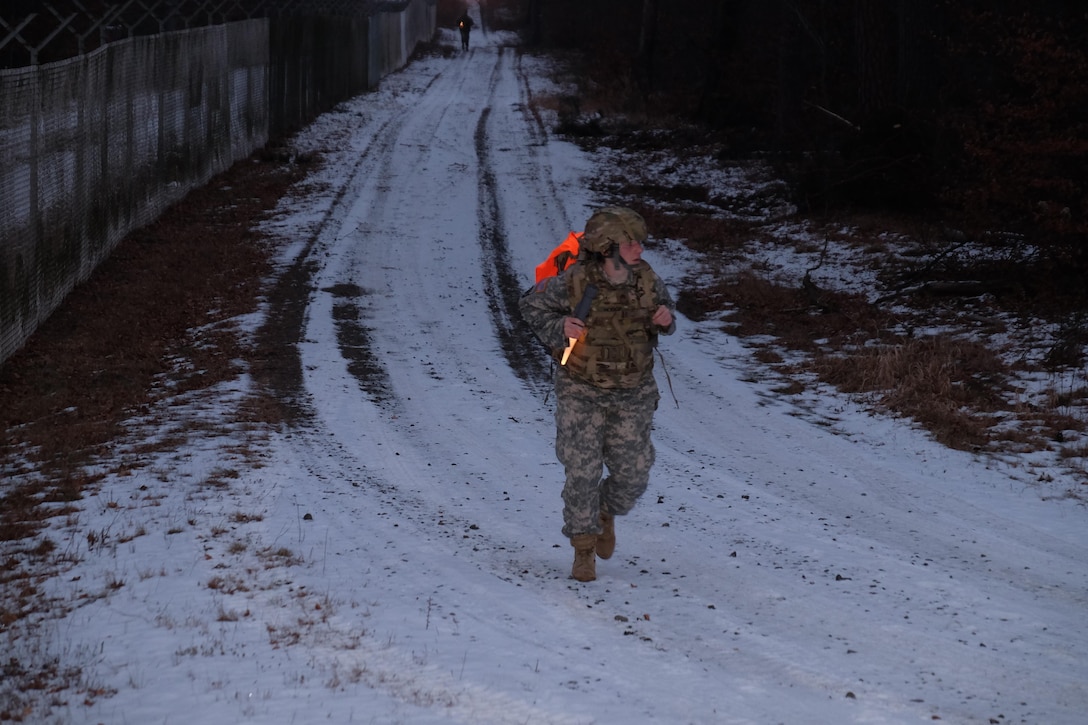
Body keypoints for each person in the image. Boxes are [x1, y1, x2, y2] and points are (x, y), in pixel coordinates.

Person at [519, 207, 676, 582]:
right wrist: (560, 325)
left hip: (634, 391)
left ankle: (605, 512)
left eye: (639, 241)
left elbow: (667, 313)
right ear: (609, 248)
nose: (638, 248)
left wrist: (667, 319)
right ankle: (583, 548)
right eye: (629, 242)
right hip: (581, 389)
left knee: (633, 476)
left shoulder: (647, 279)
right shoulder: (574, 281)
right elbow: (530, 304)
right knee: (582, 472)